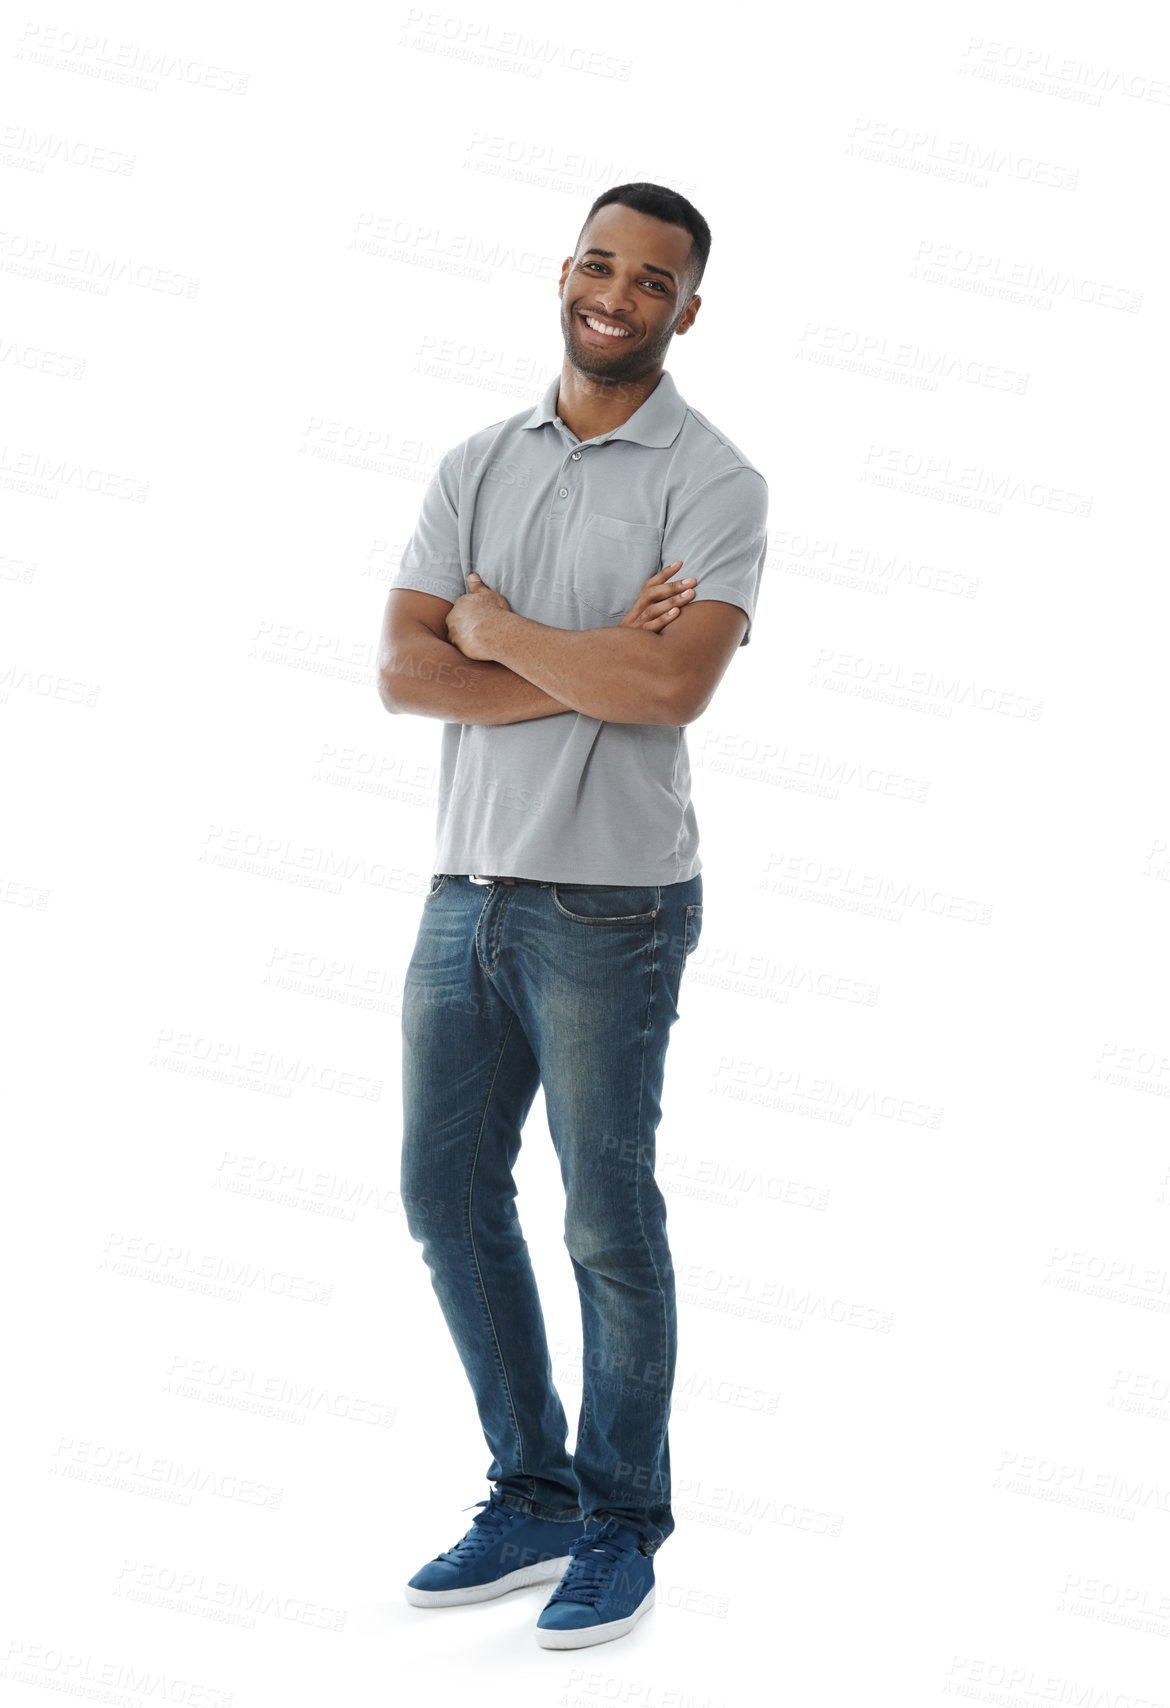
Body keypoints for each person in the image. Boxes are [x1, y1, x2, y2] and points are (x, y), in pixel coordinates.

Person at [377, 182, 768, 1650]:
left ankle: (619, 1521)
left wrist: (494, 630)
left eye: (650, 277)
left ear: (685, 307)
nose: (616, 291)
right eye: (598, 263)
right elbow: (405, 676)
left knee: (606, 1221)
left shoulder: (714, 483)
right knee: (443, 1197)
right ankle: (529, 1490)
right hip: (460, 889)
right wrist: (581, 658)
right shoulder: (474, 461)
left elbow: (671, 691)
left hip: (611, 907)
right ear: (565, 273)